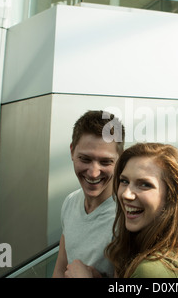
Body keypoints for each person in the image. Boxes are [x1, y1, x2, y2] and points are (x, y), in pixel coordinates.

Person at [65, 143, 178, 278]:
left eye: (145, 184)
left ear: (172, 197)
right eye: (124, 181)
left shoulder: (150, 270)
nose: (126, 194)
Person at [52, 110, 125, 278]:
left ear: (120, 159)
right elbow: (60, 269)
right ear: (72, 152)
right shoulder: (70, 202)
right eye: (85, 159)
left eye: (105, 161)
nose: (93, 173)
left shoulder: (128, 216)